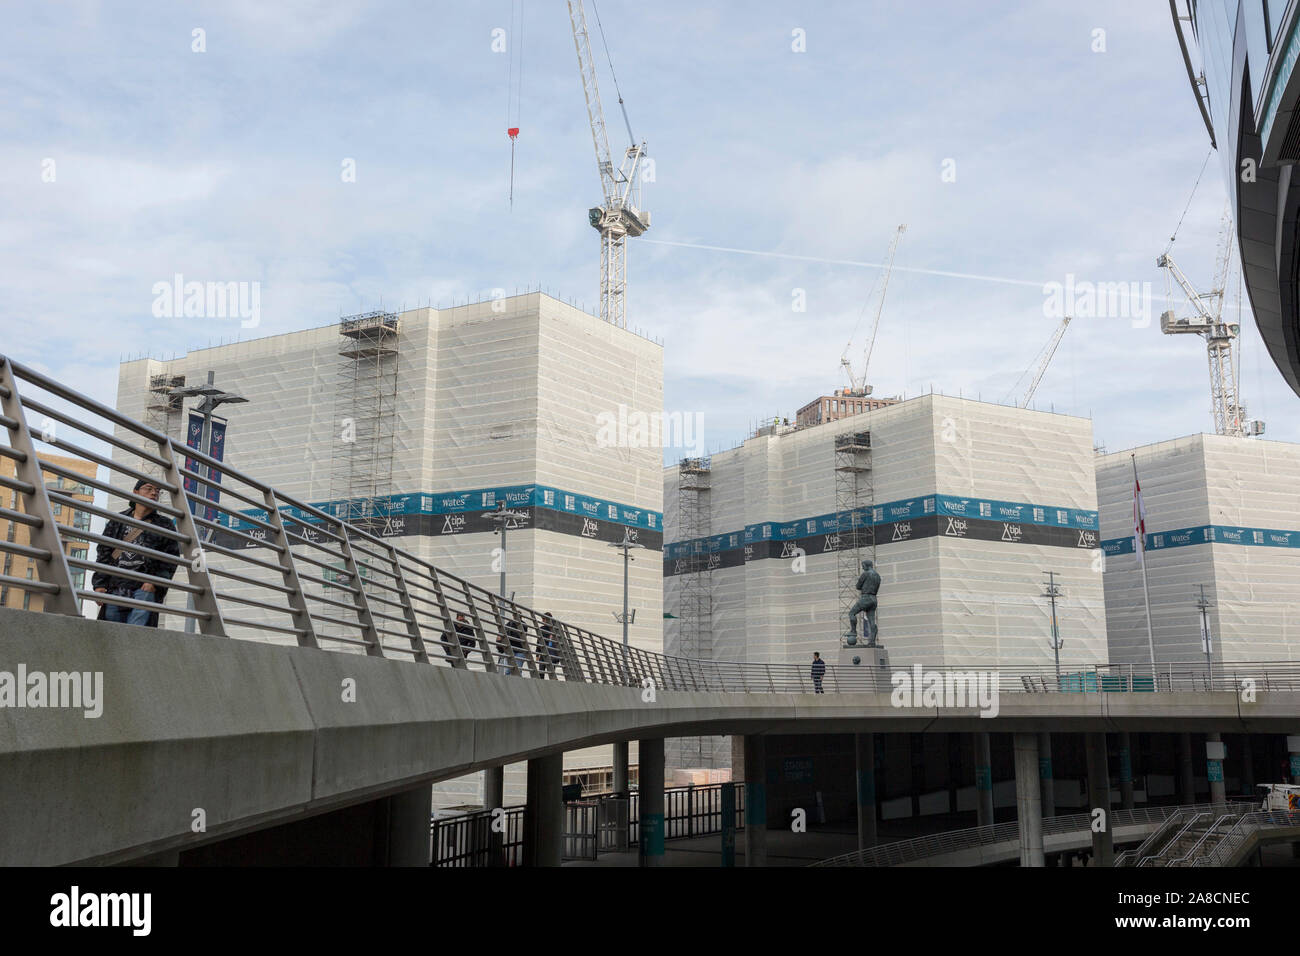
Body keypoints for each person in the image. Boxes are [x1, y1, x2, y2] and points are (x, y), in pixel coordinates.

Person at [92, 477, 181, 628]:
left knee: (136, 635)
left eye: (157, 491)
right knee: (111, 635)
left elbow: (170, 558)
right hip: (115, 586)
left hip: (144, 588)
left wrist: (155, 583)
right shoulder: (118, 520)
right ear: (135, 492)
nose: (154, 493)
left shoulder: (164, 524)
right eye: (148, 489)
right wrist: (99, 584)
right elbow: (104, 552)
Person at [537, 612, 559, 679]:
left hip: (548, 654)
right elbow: (539, 642)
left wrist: (537, 654)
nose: (542, 621)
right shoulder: (556, 629)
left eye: (543, 619)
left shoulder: (543, 629)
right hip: (551, 654)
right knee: (550, 673)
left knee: (542, 672)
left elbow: (539, 642)